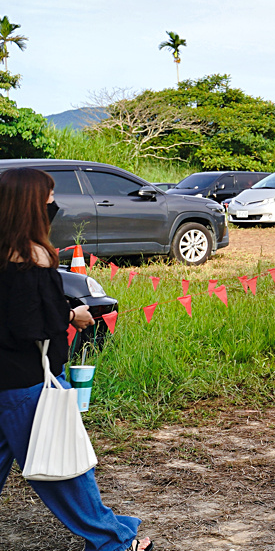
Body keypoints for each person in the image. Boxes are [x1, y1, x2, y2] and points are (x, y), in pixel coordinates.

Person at [0, 167, 152, 551]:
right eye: (49, 198)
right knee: (65, 468)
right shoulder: (31, 257)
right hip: (27, 380)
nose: (55, 204)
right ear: (31, 205)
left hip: (6, 381)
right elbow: (27, 324)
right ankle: (113, 541)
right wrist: (72, 315)